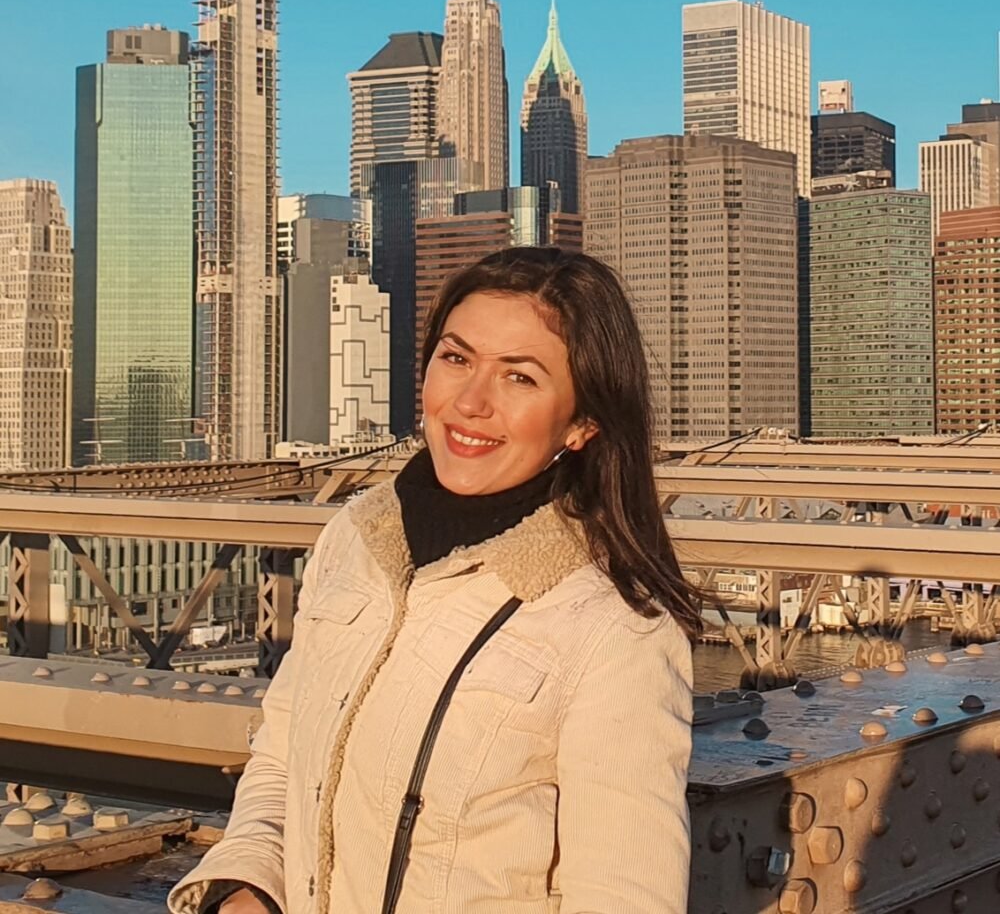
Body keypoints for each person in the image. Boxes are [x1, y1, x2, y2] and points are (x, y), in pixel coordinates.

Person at [169, 247, 702, 914]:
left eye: (520, 378)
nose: (471, 402)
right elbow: (283, 760)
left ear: (583, 422)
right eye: (456, 358)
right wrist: (250, 884)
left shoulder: (615, 628)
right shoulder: (356, 539)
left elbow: (624, 897)